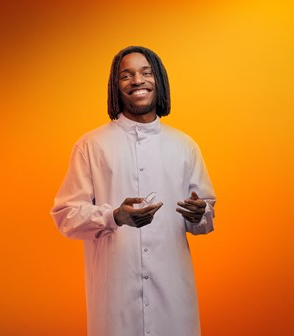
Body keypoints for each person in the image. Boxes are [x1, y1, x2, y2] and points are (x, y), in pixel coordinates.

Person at [50, 46, 216, 336]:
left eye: (146, 72)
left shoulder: (184, 145)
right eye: (126, 75)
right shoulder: (92, 145)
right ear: (116, 87)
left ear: (159, 81)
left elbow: (204, 216)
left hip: (172, 296)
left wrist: (199, 212)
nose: (137, 80)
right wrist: (114, 216)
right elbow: (66, 215)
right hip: (115, 297)